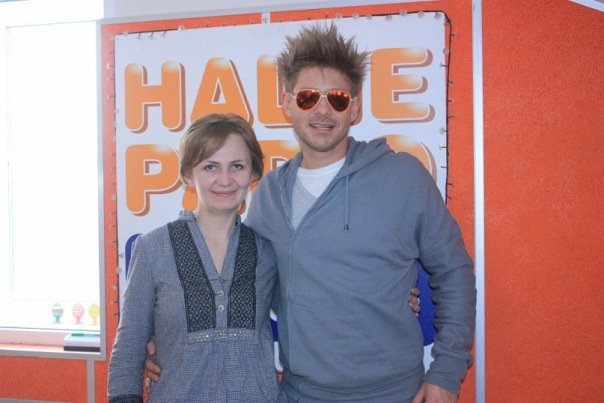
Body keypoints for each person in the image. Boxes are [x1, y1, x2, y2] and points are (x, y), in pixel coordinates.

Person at [147, 22, 472, 403]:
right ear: (287, 103)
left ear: (355, 107)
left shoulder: (403, 177)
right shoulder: (269, 194)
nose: (322, 110)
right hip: (299, 393)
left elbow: (454, 271)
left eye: (337, 98)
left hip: (395, 393)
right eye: (307, 98)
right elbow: (242, 287)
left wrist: (446, 373)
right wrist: (161, 338)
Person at [107, 113, 280, 402]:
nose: (225, 179)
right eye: (210, 166)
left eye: (237, 166)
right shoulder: (153, 248)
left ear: (253, 173)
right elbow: (129, 345)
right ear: (188, 175)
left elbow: (304, 320)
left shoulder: (267, 251)